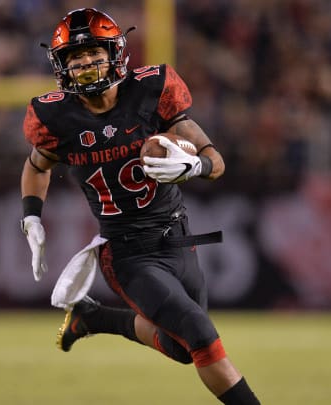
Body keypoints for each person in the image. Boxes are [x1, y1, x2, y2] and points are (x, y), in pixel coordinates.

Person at [20, 8, 260, 405]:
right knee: (201, 336)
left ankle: (94, 317)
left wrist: (195, 164)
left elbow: (215, 162)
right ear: (60, 66)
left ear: (115, 54)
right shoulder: (55, 117)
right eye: (74, 59)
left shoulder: (151, 89)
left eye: (93, 54)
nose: (84, 65)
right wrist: (31, 216)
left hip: (179, 239)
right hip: (128, 254)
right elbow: (36, 166)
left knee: (184, 348)